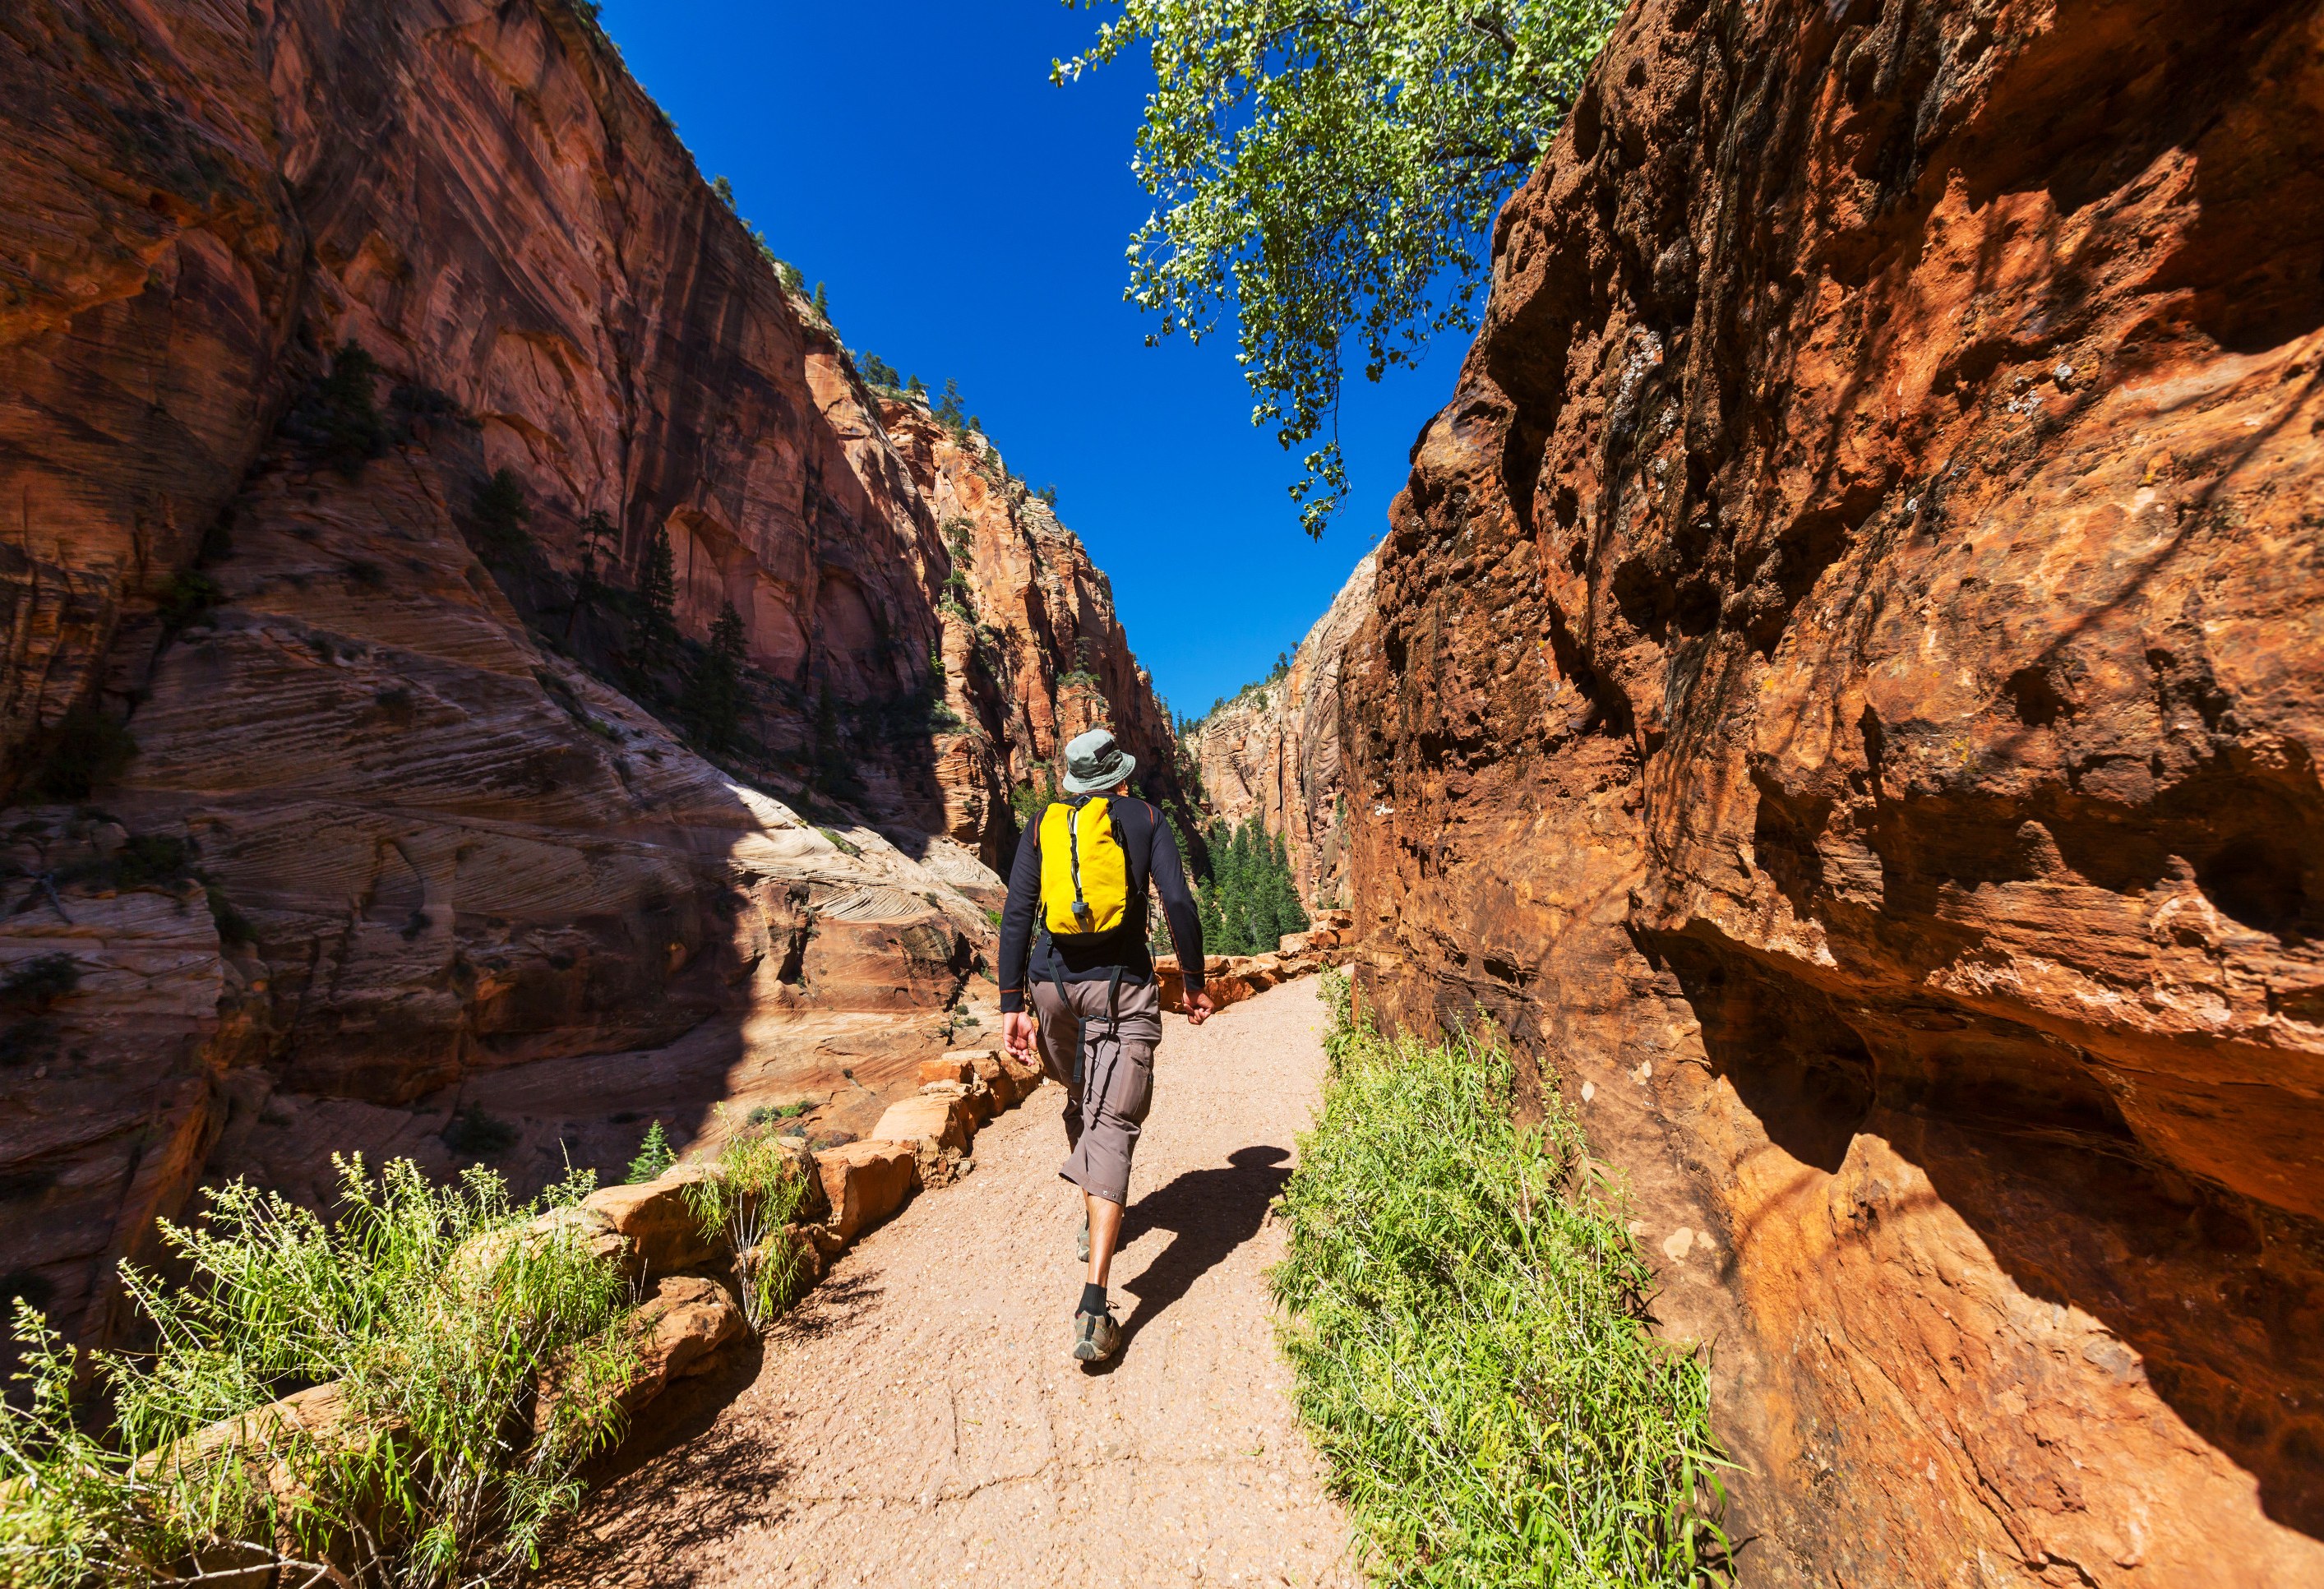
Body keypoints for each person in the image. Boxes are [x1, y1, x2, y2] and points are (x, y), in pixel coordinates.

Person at [1000, 726, 1213, 1364]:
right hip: (1120, 989)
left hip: (1050, 988)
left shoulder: (1043, 824)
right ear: (1116, 774)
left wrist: (1012, 1003)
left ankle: (1091, 1211)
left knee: (1079, 1097)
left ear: (1071, 780)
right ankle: (1094, 1306)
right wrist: (1193, 984)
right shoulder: (1144, 818)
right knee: (1112, 1121)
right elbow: (1176, 899)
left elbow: (1017, 911)